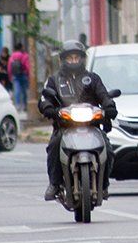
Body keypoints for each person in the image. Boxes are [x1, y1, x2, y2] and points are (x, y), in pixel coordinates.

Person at [37, 41, 117, 202]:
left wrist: (109, 106)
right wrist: (49, 108)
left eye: (77, 58)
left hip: (91, 125)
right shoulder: (54, 80)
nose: (73, 61)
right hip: (64, 127)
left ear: (82, 59)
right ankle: (54, 184)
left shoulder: (93, 79)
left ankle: (104, 185)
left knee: (108, 149)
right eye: (70, 58)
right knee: (54, 146)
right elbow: (45, 98)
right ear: (62, 60)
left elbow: (104, 96)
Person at [8, 43, 30, 111]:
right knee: (24, 91)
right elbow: (27, 66)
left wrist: (10, 76)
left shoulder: (12, 56)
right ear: (21, 48)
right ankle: (24, 106)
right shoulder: (25, 55)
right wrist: (28, 75)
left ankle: (17, 106)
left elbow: (9, 67)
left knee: (17, 91)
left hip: (15, 75)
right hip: (23, 74)